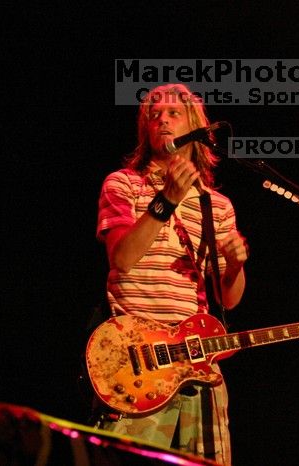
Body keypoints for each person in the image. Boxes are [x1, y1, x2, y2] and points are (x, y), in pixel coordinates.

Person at [95, 83, 248, 464]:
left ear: (196, 125)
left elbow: (227, 299)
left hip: (197, 361)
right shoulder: (123, 184)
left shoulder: (217, 206)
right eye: (153, 115)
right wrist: (166, 201)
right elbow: (123, 259)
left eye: (173, 113)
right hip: (137, 358)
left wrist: (235, 265)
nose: (162, 119)